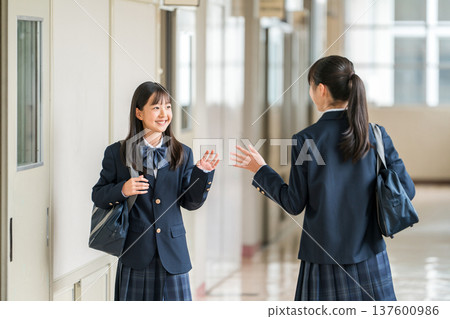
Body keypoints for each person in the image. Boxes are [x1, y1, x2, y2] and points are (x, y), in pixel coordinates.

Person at [231, 55, 415, 301]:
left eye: (310, 86)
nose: (310, 93)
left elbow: (294, 203)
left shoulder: (306, 140)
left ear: (321, 89)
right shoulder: (376, 135)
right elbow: (406, 191)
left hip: (321, 259)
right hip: (370, 255)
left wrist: (260, 169)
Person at [92, 81, 219, 301]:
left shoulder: (182, 153)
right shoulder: (117, 153)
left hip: (173, 255)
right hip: (136, 254)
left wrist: (202, 174)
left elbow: (191, 203)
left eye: (168, 107)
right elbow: (98, 194)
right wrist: (122, 189)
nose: (164, 114)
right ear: (139, 113)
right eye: (156, 107)